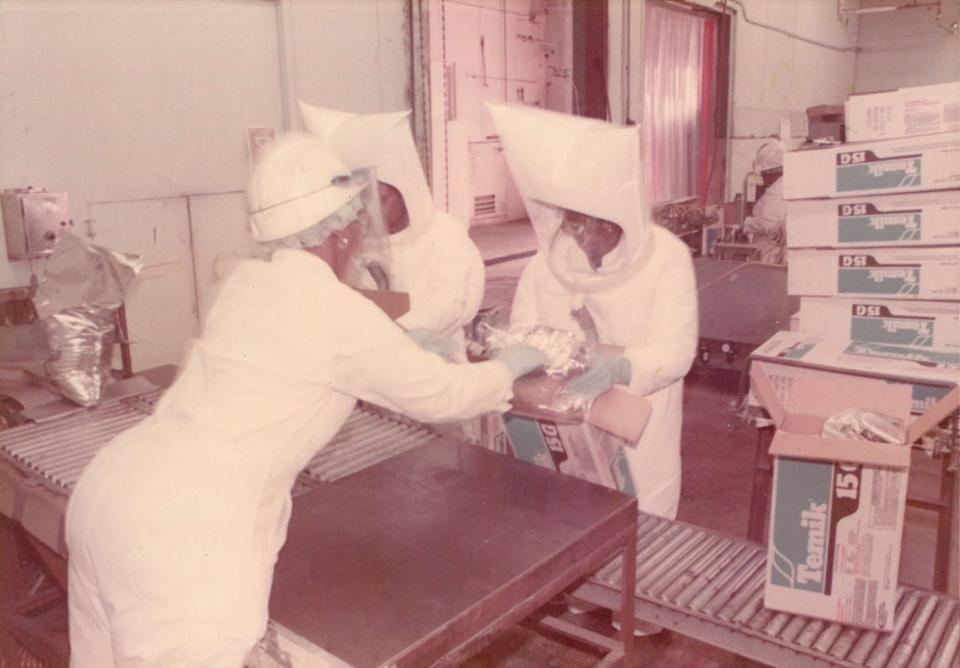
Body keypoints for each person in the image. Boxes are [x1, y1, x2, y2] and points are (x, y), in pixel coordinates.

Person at [65, 133, 546, 667]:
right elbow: (445, 395)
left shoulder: (248, 284)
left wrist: (395, 344)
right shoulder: (337, 311)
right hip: (185, 530)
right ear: (341, 232)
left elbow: (305, 348)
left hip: (109, 494)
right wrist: (509, 366)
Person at [488, 103, 698, 522]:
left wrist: (623, 367)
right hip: (566, 430)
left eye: (589, 223)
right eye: (571, 221)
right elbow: (523, 331)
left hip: (641, 425)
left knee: (643, 526)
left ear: (615, 219)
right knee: (567, 524)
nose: (579, 234)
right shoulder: (546, 264)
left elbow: (677, 350)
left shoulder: (666, 258)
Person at [299, 103, 486, 360]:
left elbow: (450, 303)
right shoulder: (358, 241)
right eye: (361, 200)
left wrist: (392, 336)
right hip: (377, 363)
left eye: (380, 199)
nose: (370, 211)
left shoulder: (443, 231)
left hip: (439, 362)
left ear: (405, 192)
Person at [742, 139, 787, 264]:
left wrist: (746, 223)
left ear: (774, 171)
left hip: (771, 254)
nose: (761, 177)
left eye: (763, 173)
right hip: (769, 251)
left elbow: (768, 223)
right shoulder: (779, 186)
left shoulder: (777, 191)